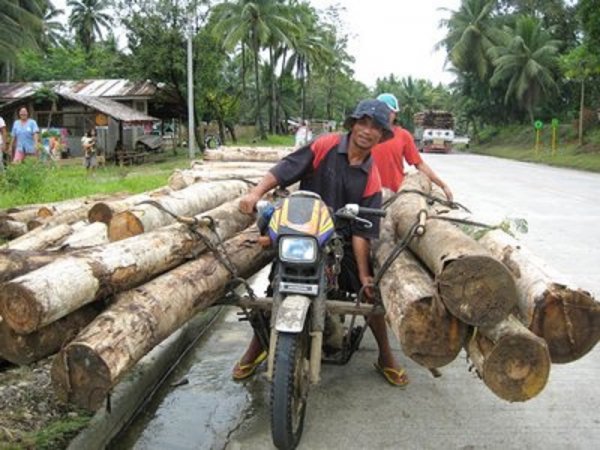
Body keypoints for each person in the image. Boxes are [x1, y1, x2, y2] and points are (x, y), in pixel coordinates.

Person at [233, 99, 409, 387]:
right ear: (352, 124)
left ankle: (386, 356)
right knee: (276, 284)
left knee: (368, 292)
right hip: (301, 234)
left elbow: (363, 231)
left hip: (340, 241)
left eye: (376, 127)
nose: (367, 131)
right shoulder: (325, 145)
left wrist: (365, 274)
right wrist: (255, 194)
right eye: (362, 123)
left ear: (382, 136)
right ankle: (257, 347)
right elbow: (285, 169)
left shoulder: (371, 178)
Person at [372, 93, 453, 200]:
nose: (385, 114)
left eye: (389, 111)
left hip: (393, 196)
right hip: (369, 194)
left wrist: (442, 185)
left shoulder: (403, 135)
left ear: (395, 114)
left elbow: (419, 164)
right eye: (381, 110)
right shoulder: (366, 133)